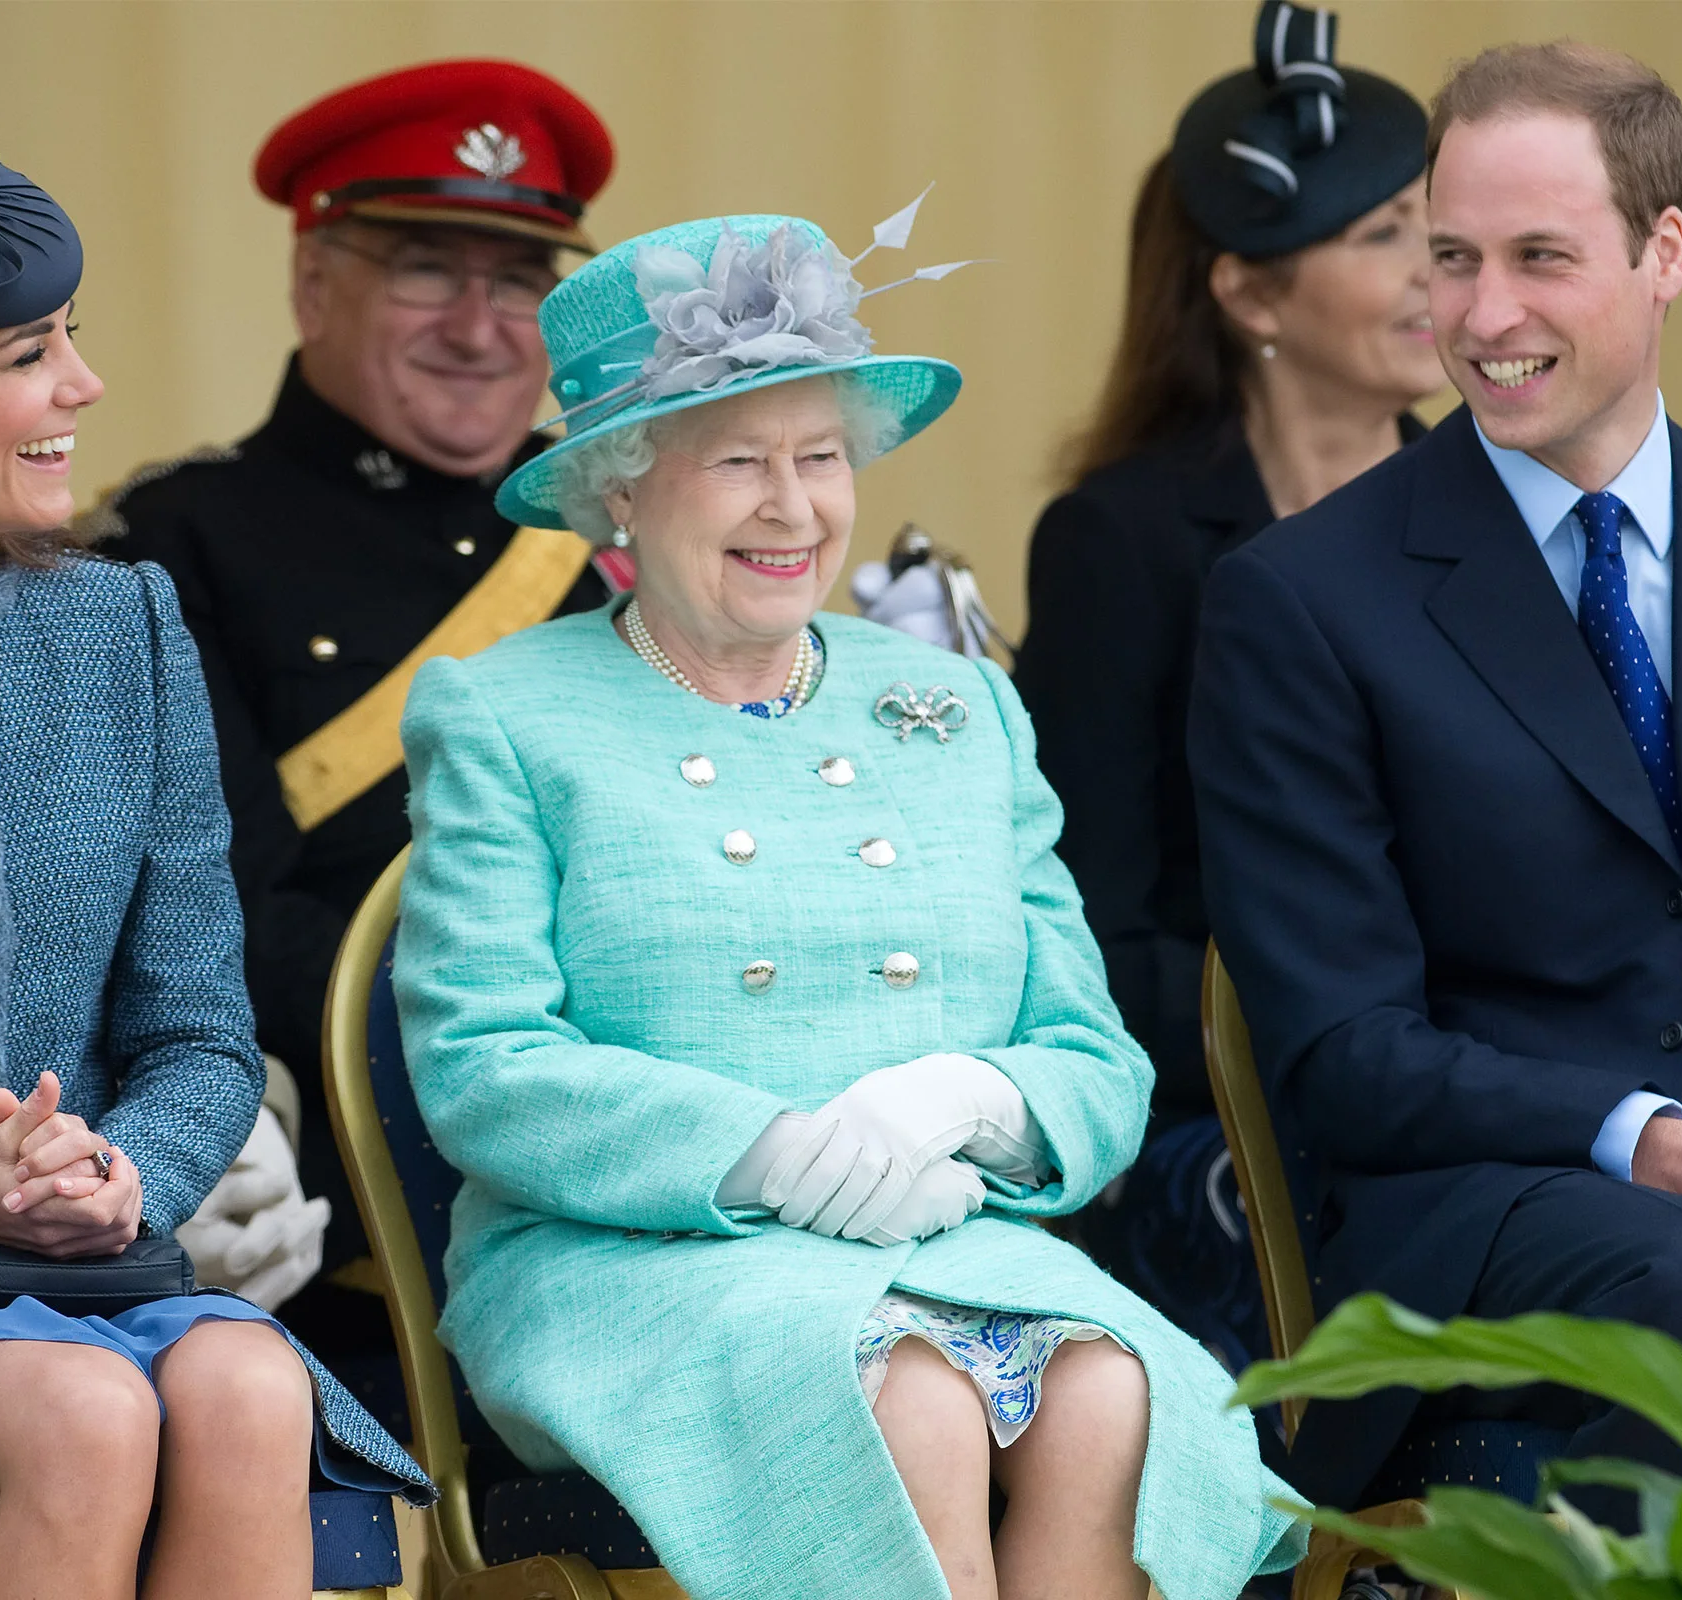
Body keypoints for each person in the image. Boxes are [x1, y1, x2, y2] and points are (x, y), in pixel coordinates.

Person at [392, 209, 1304, 1600]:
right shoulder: (508, 712)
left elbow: (1097, 1057)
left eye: (820, 458)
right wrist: (768, 1153)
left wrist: (967, 1101)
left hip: (956, 1235)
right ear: (620, 491)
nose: (794, 507)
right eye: (738, 462)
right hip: (633, 1258)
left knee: (1115, 1391)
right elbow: (483, 1067)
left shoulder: (956, 706)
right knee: (917, 1402)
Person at [0, 93, 423, 1590]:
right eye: (26, 356)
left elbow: (199, 1031)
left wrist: (118, 1173)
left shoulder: (122, 631)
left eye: (71, 334)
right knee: (84, 1418)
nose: (87, 381)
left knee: (250, 1389)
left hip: (76, 1276)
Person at [1191, 40, 1682, 1522]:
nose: (1483, 314)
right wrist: (1642, 1134)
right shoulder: (1298, 600)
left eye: (1542, 257)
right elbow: (1344, 1055)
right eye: (1452, 256)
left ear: (1668, 251)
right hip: (1485, 1212)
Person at [97, 62, 618, 1333]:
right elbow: (225, 914)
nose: (483, 327)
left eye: (522, 283)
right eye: (429, 269)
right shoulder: (169, 546)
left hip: (653, 1115)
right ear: (314, 279)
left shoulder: (628, 521)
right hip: (371, 1163)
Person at [1010, 0, 1440, 1386]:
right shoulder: (1122, 540)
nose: (1442, 270)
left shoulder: (1511, 515)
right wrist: (1335, 1040)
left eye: (1443, 225)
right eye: (1385, 236)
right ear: (1250, 292)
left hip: (1499, 1077)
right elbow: (1087, 929)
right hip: (1239, 1104)